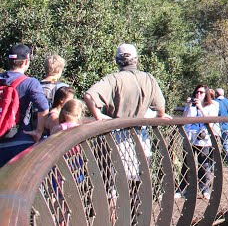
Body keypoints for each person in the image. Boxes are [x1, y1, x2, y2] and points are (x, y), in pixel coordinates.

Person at [84, 43, 170, 180]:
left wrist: (98, 115)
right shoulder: (148, 78)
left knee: (114, 183)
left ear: (117, 61)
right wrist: (160, 115)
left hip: (116, 138)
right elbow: (160, 107)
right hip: (141, 138)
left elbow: (89, 96)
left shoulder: (112, 79)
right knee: (140, 183)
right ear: (136, 59)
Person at [0, 44, 49, 167]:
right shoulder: (30, 82)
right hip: (20, 142)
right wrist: (38, 131)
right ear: (26, 61)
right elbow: (43, 108)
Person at [177, 85, 218, 200]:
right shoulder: (190, 106)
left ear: (206, 94)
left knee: (204, 165)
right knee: (186, 164)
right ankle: (182, 189)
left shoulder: (211, 106)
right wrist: (189, 106)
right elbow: (184, 119)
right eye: (196, 92)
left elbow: (211, 120)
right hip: (190, 137)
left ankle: (205, 190)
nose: (198, 95)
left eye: (201, 92)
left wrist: (201, 108)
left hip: (203, 139)